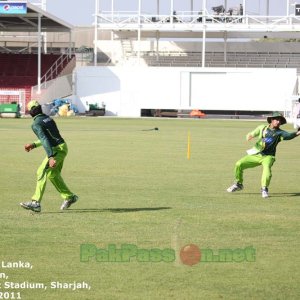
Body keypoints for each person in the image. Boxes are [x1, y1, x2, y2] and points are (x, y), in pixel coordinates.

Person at [20, 100, 78, 212]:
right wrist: (34, 144)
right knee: (52, 174)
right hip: (62, 147)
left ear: (31, 112)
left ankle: (35, 202)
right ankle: (70, 197)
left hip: (56, 150)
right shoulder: (48, 118)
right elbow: (47, 137)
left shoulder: (36, 123)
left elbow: (45, 139)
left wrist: (51, 156)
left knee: (41, 171)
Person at [227, 112, 300, 198]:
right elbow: (253, 133)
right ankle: (239, 184)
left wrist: (297, 133)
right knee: (239, 164)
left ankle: (264, 189)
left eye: (280, 120)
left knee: (267, 169)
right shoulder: (262, 128)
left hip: (269, 157)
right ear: (272, 120)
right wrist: (249, 136)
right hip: (256, 154)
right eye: (277, 119)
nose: (278, 122)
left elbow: (289, 135)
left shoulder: (280, 133)